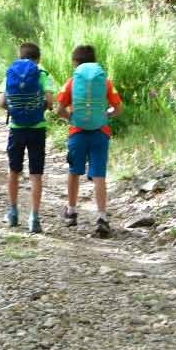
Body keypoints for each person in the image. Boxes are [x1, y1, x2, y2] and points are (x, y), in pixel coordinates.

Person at [55, 44, 123, 238]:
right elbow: (118, 109)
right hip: (101, 133)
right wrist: (105, 114)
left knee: (74, 172)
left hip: (77, 133)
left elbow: (59, 109)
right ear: (94, 60)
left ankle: (71, 211)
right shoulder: (106, 82)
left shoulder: (71, 82)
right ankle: (102, 217)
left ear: (75, 62)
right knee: (99, 175)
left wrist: (71, 118)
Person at [0, 42, 55, 233]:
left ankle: (13, 214)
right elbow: (50, 101)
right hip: (37, 129)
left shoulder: (11, 72)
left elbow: (1, 102)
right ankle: (34, 218)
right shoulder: (42, 73)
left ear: (20, 56)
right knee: (36, 175)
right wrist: (39, 109)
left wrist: (14, 111)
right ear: (39, 58)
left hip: (17, 129)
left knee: (14, 171)